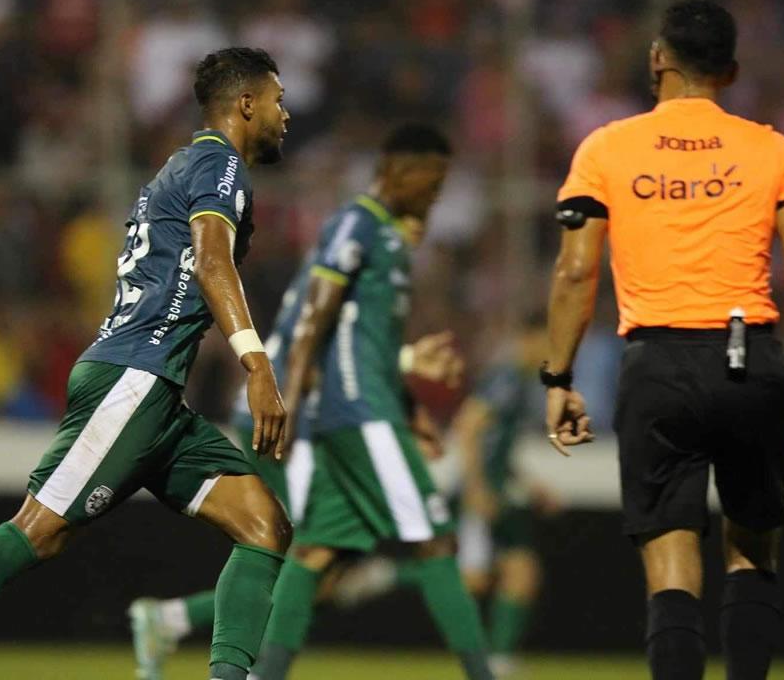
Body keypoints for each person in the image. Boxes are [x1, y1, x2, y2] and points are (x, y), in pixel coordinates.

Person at [0, 47, 294, 680]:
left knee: (264, 525)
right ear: (246, 104)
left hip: (156, 394)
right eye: (277, 100)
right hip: (134, 380)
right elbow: (212, 261)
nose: (285, 114)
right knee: (39, 530)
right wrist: (257, 364)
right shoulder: (219, 167)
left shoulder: (181, 167)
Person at [543, 0, 784, 680]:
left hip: (657, 367)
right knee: (751, 555)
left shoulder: (607, 147)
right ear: (732, 71)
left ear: (657, 58)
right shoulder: (772, 149)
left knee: (671, 565)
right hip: (752, 362)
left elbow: (574, 270)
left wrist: (557, 379)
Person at [127, 213, 462, 680]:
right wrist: (406, 379)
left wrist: (405, 362)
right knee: (313, 552)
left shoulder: (332, 274)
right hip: (291, 420)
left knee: (322, 564)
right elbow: (326, 356)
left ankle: (175, 621)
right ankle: (243, 662)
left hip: (283, 415)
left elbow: (337, 351)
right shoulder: (349, 274)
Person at [252, 124, 496, 680]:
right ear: (399, 170)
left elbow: (374, 348)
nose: (436, 195)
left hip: (368, 410)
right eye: (432, 182)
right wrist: (288, 397)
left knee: (316, 551)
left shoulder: (391, 239)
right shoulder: (357, 222)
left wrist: (412, 413)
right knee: (433, 538)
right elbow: (316, 313)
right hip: (359, 413)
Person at [450, 315, 562, 677]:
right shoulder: (506, 377)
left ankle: (498, 661)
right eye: (547, 342)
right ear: (529, 339)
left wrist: (529, 485)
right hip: (479, 491)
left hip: (496, 489)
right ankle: (385, 575)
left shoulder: (521, 382)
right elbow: (468, 428)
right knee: (472, 581)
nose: (551, 352)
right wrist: (476, 487)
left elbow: (496, 446)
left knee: (522, 572)